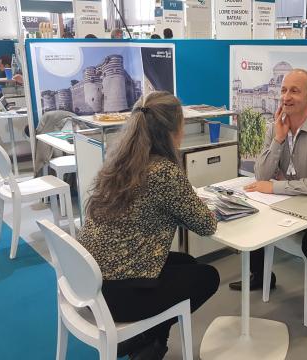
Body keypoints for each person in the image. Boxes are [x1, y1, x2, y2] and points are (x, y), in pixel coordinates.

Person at [77, 91, 219, 360]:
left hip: (90, 280)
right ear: (173, 129)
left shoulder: (122, 161)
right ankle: (150, 341)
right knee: (208, 277)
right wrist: (196, 209)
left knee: (187, 263)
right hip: (117, 293)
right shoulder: (163, 171)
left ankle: (147, 341)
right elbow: (205, 225)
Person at [228, 69, 307, 351]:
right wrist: (279, 140)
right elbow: (261, 174)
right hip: (292, 200)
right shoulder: (275, 127)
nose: (286, 97)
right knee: (251, 211)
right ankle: (261, 276)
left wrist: (276, 187)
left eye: (294, 91)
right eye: (283, 90)